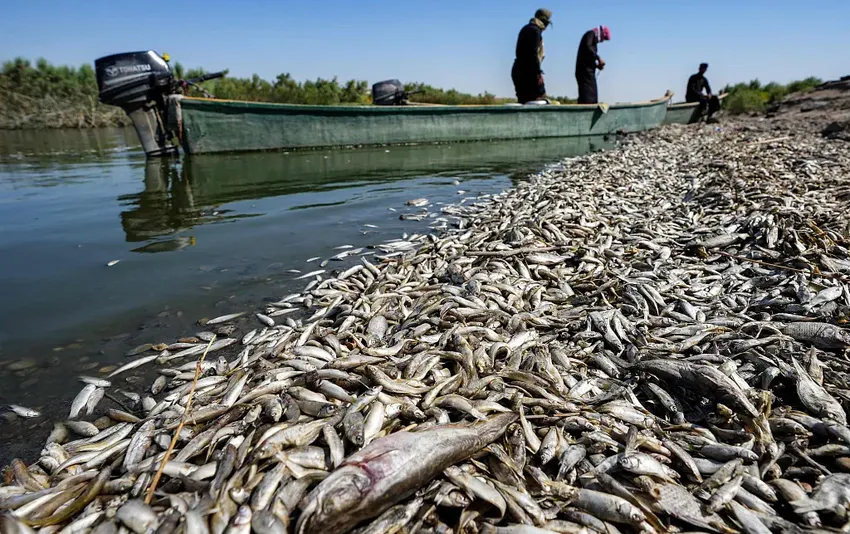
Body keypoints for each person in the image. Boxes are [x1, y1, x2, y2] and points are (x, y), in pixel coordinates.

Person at [511, 8, 552, 104]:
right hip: (528, 74)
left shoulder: (526, 29)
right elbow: (532, 56)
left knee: (524, 102)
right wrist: (538, 75)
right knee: (538, 101)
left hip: (518, 71)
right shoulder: (535, 31)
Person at [575, 26, 610, 104]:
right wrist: (598, 58)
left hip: (588, 73)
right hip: (584, 72)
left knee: (592, 97)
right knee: (587, 98)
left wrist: (597, 66)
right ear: (602, 33)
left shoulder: (593, 40)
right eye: (604, 38)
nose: (602, 41)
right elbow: (587, 47)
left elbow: (588, 57)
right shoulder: (590, 34)